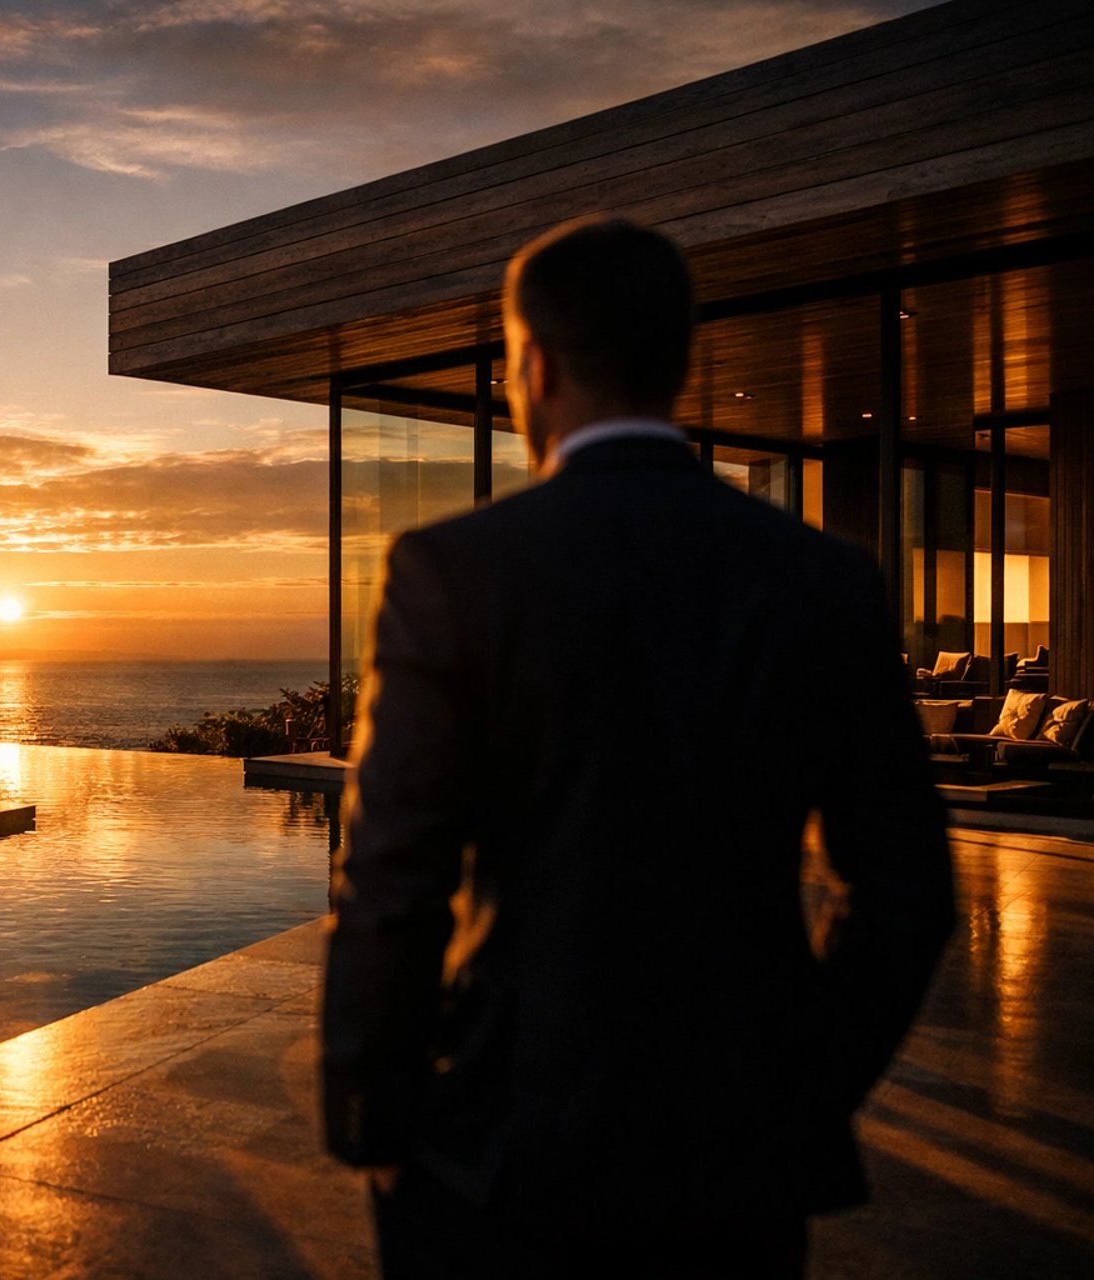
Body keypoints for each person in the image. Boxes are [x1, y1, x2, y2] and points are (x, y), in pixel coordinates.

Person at [321, 216, 954, 1277]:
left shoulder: (453, 570)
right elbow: (906, 893)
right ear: (677, 361)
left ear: (535, 364)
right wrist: (792, 1088)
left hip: (501, 1152)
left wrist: (375, 1121)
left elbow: (392, 878)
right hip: (735, 1161)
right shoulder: (823, 576)